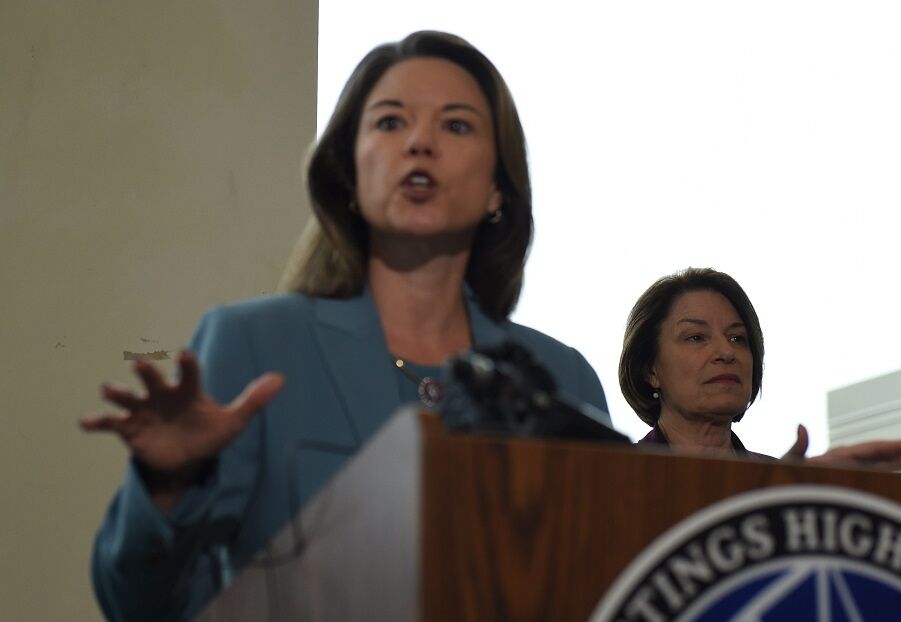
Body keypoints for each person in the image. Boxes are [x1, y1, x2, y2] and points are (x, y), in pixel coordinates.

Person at [82, 31, 609, 622]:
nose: (419, 143)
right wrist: (166, 487)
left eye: (456, 126)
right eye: (390, 123)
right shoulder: (254, 345)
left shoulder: (563, 380)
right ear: (351, 176)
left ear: (497, 190)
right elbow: (142, 608)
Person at [619, 267, 901, 469]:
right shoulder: (615, 476)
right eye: (696, 337)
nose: (726, 352)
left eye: (737, 338)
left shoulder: (782, 479)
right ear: (650, 370)